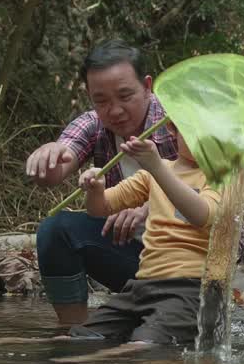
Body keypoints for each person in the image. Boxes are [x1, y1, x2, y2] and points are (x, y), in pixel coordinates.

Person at [25, 40, 177, 326]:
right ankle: (73, 332)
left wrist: (151, 208)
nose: (115, 111)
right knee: (55, 230)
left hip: (186, 263)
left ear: (147, 86)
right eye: (102, 101)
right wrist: (46, 161)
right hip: (133, 257)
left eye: (125, 96)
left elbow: (211, 195)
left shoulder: (179, 123)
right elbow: (61, 162)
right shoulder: (94, 124)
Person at [75, 121, 218, 347]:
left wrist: (156, 168)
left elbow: (202, 215)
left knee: (143, 347)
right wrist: (96, 188)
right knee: (78, 340)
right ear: (173, 129)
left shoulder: (222, 176)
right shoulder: (153, 173)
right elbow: (100, 208)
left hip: (190, 289)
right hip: (141, 286)